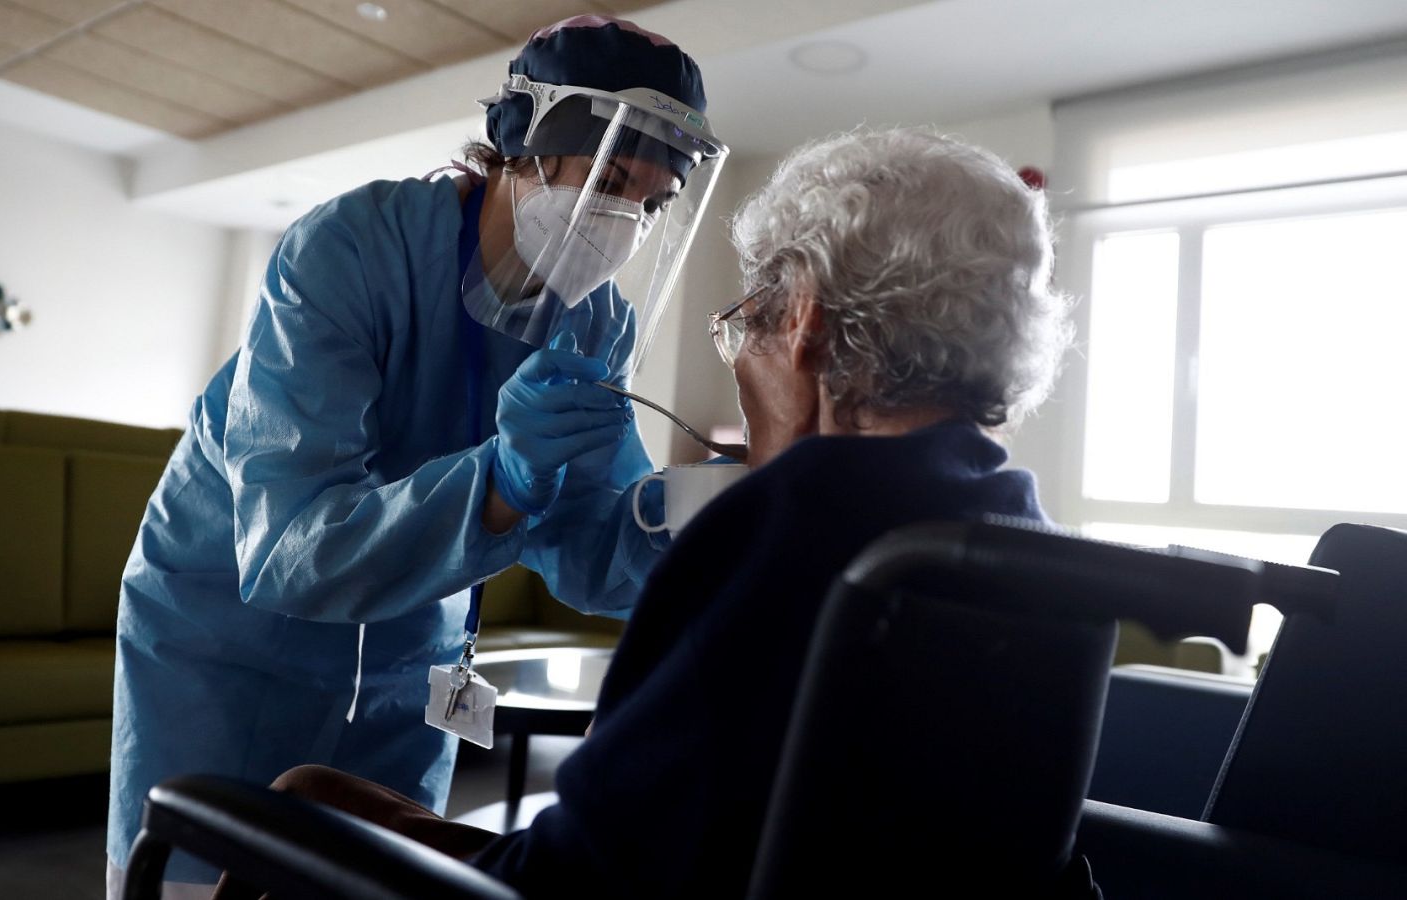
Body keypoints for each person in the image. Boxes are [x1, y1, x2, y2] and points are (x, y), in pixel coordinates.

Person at [211, 126, 1080, 899]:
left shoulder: (775, 533)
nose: (740, 356)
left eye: (746, 324)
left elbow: (576, 872)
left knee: (295, 800)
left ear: (805, 318)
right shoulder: (1030, 547)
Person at [105, 16, 729, 897]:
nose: (623, 220)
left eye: (652, 203)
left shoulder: (598, 321)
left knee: (378, 878)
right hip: (230, 634)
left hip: (416, 641)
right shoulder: (351, 251)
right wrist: (501, 483)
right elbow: (288, 552)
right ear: (520, 144)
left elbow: (591, 554)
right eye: (607, 180)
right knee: (201, 873)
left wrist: (705, 516)